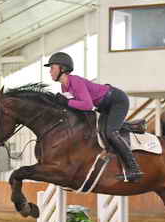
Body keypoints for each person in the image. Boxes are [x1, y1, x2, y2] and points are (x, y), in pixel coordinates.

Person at [44, 51, 144, 182]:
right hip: (104, 106)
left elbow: (87, 105)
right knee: (100, 130)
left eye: (52, 68)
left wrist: (66, 102)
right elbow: (75, 106)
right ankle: (130, 125)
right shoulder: (64, 87)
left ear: (62, 68)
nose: (50, 71)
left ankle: (135, 170)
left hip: (117, 101)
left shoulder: (76, 81)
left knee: (111, 133)